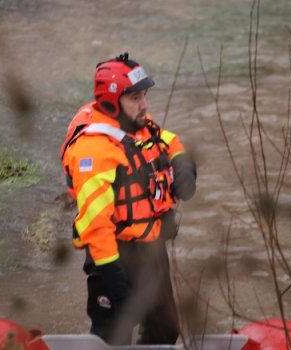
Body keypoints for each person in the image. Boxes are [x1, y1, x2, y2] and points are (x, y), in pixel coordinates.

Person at [59, 53, 197, 345]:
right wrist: (115, 279)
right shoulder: (94, 152)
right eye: (136, 97)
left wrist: (184, 165)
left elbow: (168, 139)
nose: (144, 104)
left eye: (144, 95)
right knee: (112, 337)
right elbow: (96, 227)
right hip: (113, 256)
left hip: (151, 249)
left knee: (166, 330)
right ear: (112, 101)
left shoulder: (136, 123)